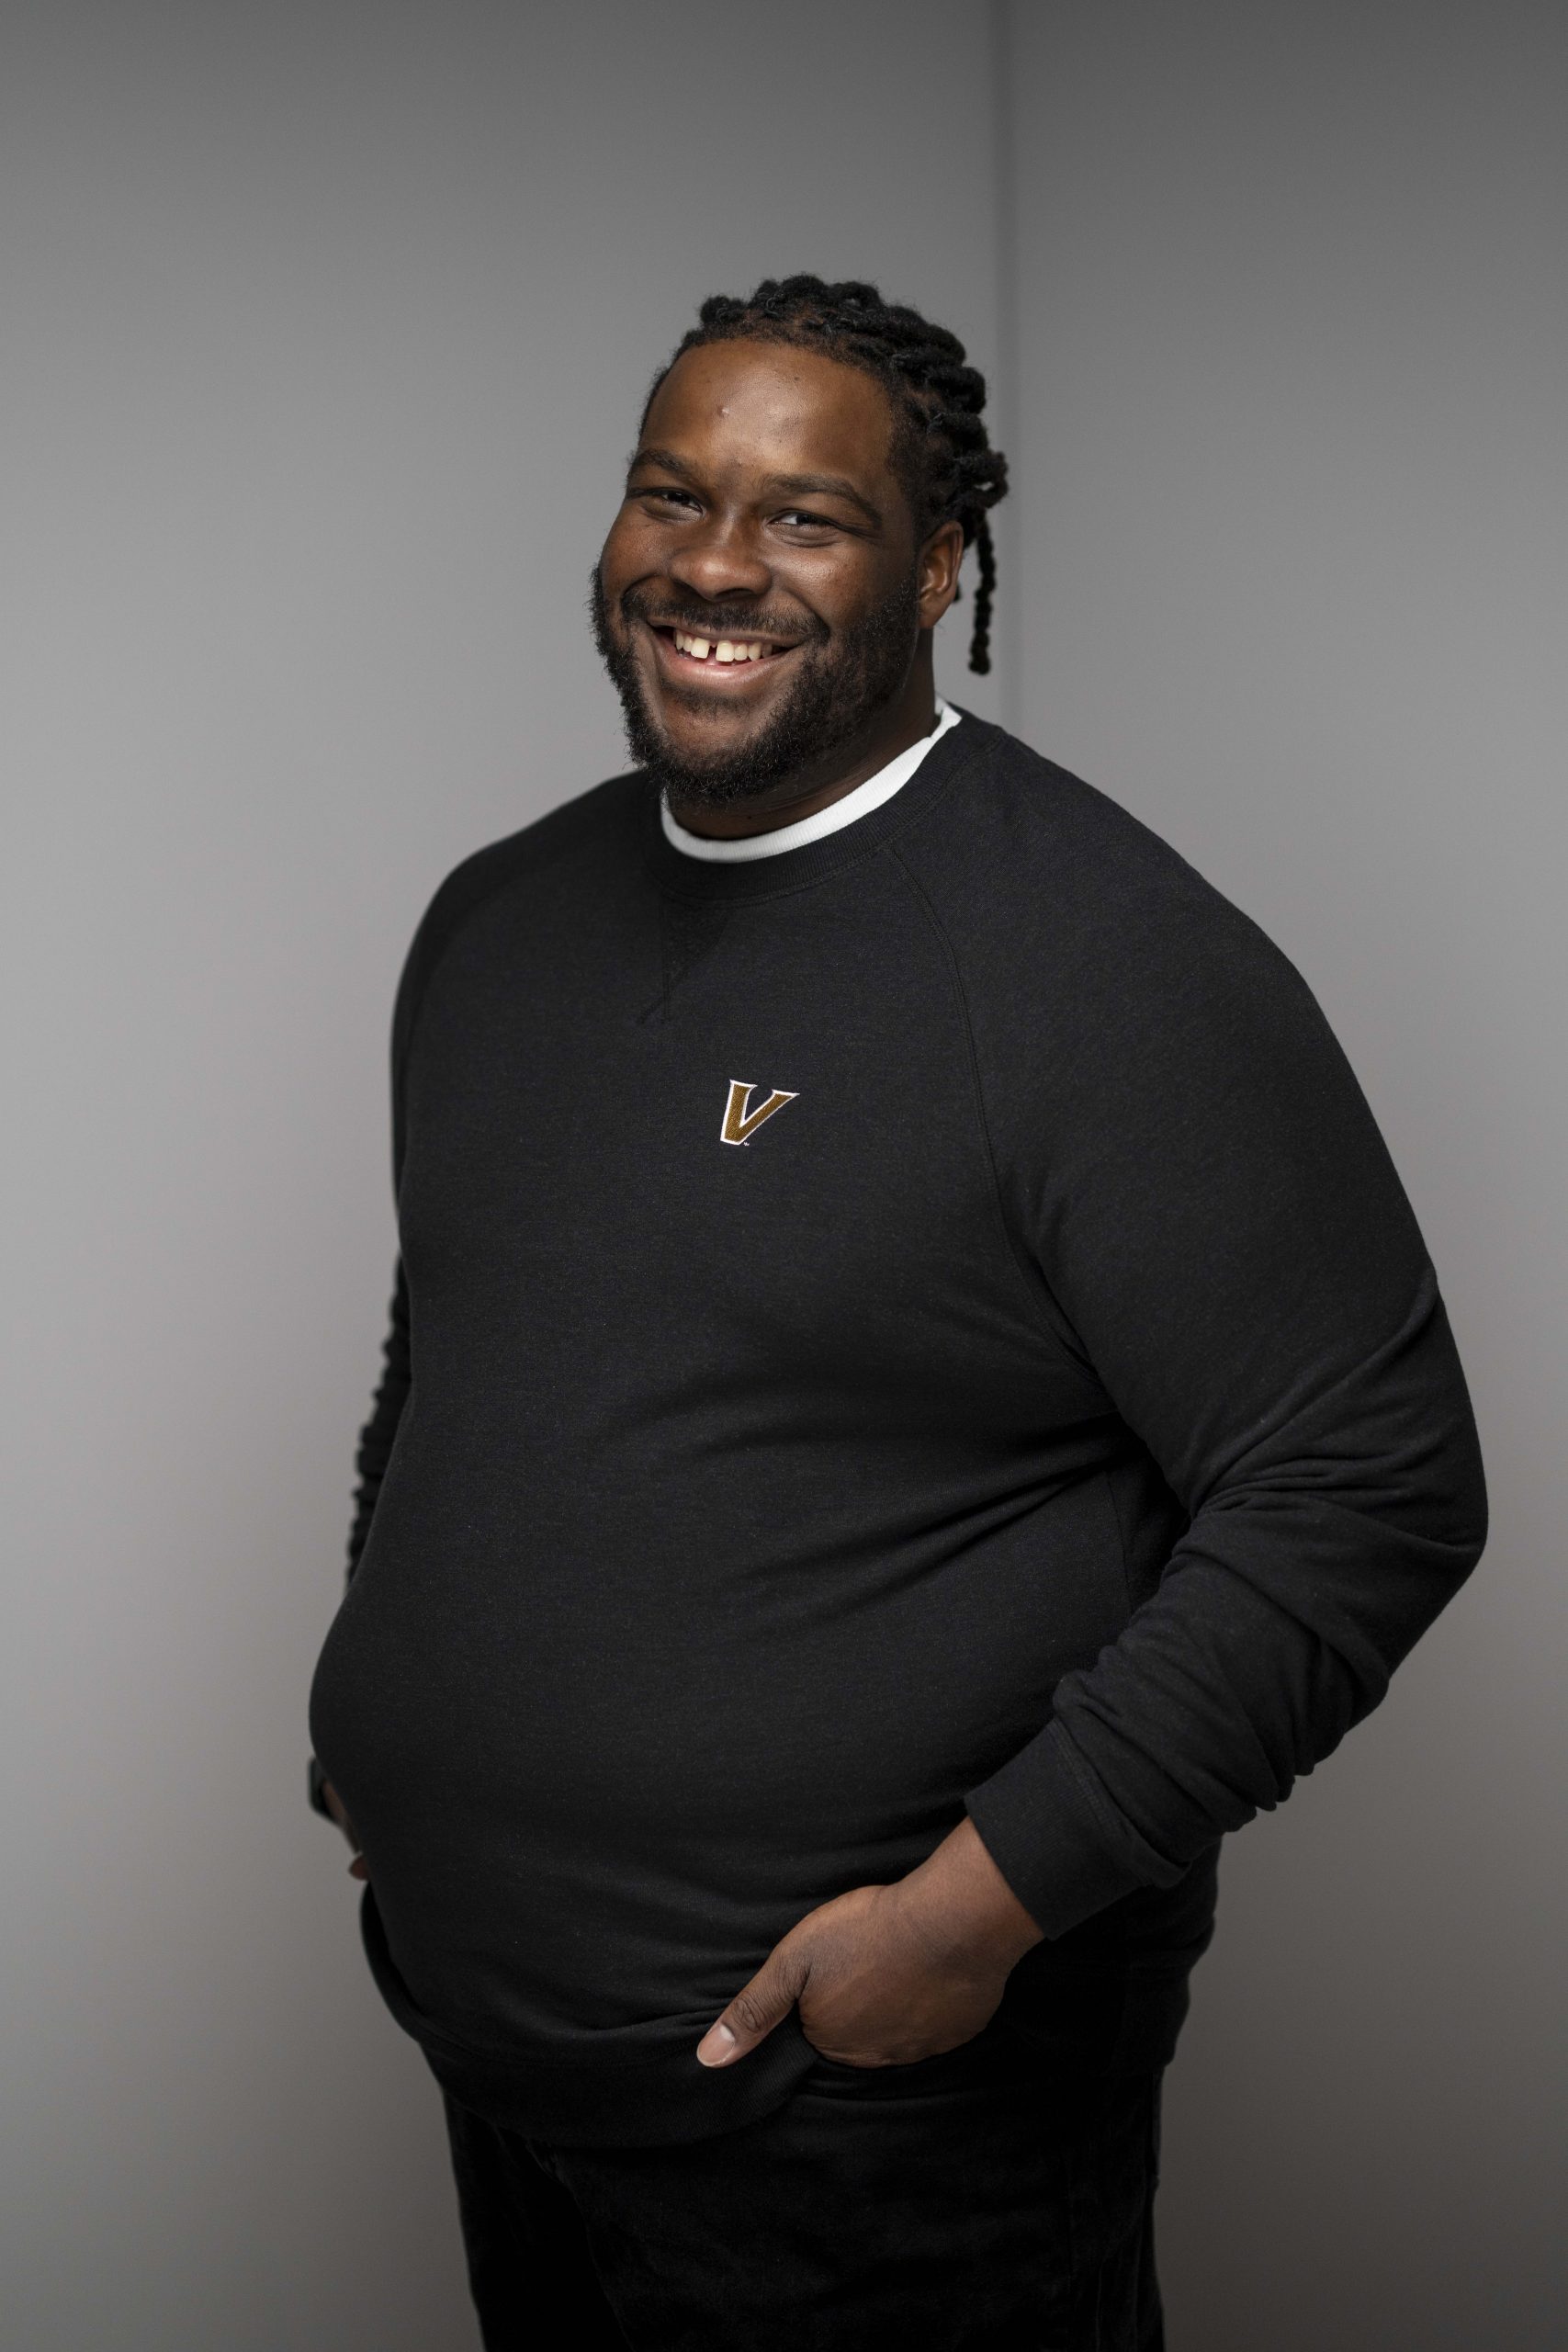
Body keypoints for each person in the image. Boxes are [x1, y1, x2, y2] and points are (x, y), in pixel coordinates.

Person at [305, 275, 1488, 2349]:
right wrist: (384, 1724)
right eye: (671, 494)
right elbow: (460, 1353)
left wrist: (970, 1915)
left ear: (938, 566)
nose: (711, 564)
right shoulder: (495, 919)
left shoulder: (1096, 966)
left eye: (804, 516)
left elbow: (1366, 1488)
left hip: (869, 2119)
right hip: (501, 2043)